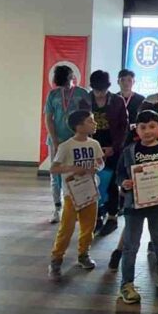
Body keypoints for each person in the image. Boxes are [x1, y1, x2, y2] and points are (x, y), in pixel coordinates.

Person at [116, 110, 158, 304]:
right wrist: (124, 183)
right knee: (131, 244)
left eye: (152, 126)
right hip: (133, 205)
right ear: (137, 129)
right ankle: (127, 284)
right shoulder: (129, 150)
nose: (148, 131)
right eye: (143, 127)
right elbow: (120, 174)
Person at [48, 111, 104, 278]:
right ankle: (57, 258)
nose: (94, 124)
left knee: (89, 226)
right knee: (67, 227)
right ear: (78, 126)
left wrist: (96, 167)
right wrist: (73, 169)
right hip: (71, 194)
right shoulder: (66, 146)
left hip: (90, 190)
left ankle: (83, 253)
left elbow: (100, 162)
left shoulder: (94, 144)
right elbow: (54, 168)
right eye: (90, 121)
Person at [44, 64, 91, 223]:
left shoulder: (82, 93)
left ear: (73, 77)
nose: (67, 83)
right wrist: (55, 140)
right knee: (55, 174)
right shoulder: (53, 95)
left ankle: (77, 206)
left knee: (76, 172)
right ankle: (57, 207)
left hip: (76, 140)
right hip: (56, 140)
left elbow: (88, 117)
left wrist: (83, 137)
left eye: (69, 78)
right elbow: (48, 118)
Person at [86, 70, 129, 237]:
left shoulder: (117, 101)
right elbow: (79, 124)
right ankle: (96, 216)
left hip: (112, 148)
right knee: (92, 182)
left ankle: (112, 217)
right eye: (97, 90)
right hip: (91, 147)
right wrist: (91, 146)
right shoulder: (85, 100)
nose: (100, 93)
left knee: (111, 183)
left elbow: (123, 127)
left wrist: (114, 147)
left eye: (103, 90)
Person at [118, 69, 146, 138]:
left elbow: (144, 118)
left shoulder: (141, 99)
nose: (126, 83)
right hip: (117, 133)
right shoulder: (113, 99)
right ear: (118, 82)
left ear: (134, 82)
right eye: (123, 80)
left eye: (129, 80)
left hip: (135, 134)